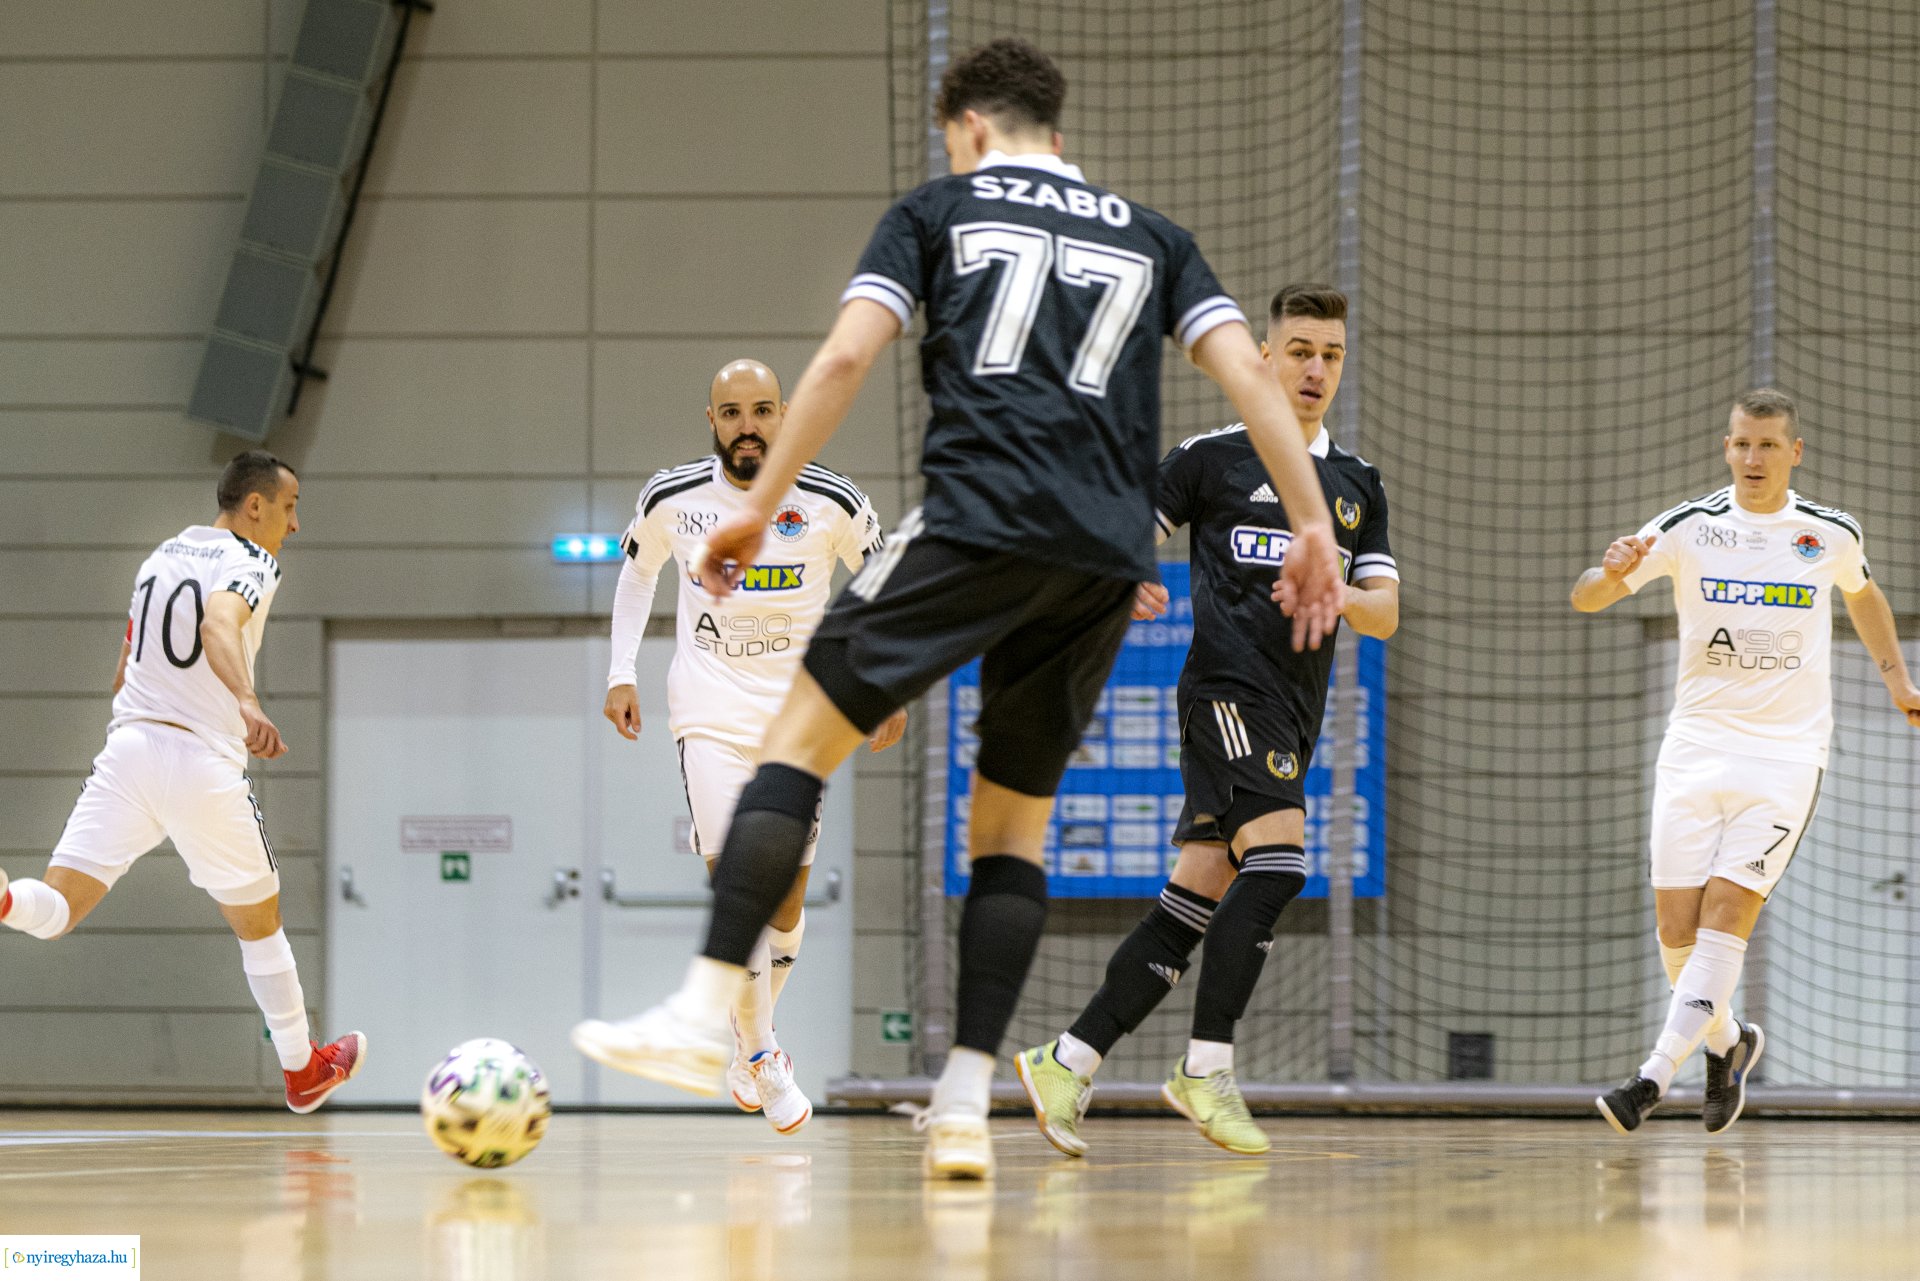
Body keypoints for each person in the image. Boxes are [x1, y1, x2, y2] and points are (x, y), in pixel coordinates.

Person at [572, 37, 1345, 1180]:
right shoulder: (1153, 236)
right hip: (1098, 552)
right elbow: (1243, 374)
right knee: (1011, 828)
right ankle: (964, 1102)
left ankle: (701, 1012)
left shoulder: (938, 208)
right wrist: (1316, 522)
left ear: (968, 128)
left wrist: (759, 502)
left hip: (979, 518)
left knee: (799, 741)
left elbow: (839, 363)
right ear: (1056, 134)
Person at [1018, 284, 1399, 1157]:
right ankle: (1206, 1067)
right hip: (1227, 692)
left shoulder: (1357, 485)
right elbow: (1121, 533)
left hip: (1296, 713)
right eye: (1299, 349)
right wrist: (1125, 579)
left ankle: (1067, 1057)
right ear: (1265, 356)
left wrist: (1339, 588)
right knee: (1279, 862)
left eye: (1331, 354)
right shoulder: (1212, 460)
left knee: (1194, 897)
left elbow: (1385, 611)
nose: (1314, 368)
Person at [1571, 388, 1920, 1134]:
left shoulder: (1827, 533)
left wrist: (1899, 681)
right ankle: (1730, 1043)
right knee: (1677, 934)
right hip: (1695, 749)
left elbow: (1865, 597)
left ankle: (1650, 1076)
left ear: (1794, 451)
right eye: (1740, 444)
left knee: (1729, 917)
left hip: (1786, 757)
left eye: (1767, 445)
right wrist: (1608, 570)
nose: (1752, 458)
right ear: (1726, 447)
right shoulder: (1689, 526)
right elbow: (1588, 599)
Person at [0, 451, 365, 1112]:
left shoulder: (159, 557)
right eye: (291, 505)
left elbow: (125, 664)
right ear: (255, 506)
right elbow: (216, 624)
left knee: (54, 910)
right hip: (201, 760)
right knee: (261, 924)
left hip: (131, 749)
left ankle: (2, 900)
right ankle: (301, 1070)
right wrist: (248, 702)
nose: (296, 523)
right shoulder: (252, 561)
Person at [602, 358, 903, 1134]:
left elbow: (884, 583)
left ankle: (744, 1043)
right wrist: (620, 670)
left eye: (762, 409)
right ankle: (765, 1055)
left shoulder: (830, 499)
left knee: (787, 906)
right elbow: (637, 577)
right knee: (735, 880)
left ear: (784, 412)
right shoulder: (673, 496)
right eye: (732, 412)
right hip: (706, 708)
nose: (748, 425)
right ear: (712, 419)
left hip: (799, 716)